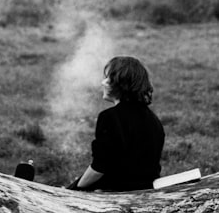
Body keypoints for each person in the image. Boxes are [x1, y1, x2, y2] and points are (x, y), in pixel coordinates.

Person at [68, 56, 165, 191]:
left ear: (121, 84)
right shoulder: (153, 119)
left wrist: (72, 189)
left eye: (108, 78)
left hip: (115, 194)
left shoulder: (110, 118)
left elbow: (98, 169)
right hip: (147, 191)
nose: (103, 83)